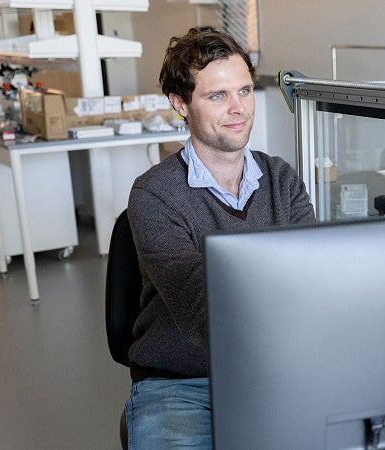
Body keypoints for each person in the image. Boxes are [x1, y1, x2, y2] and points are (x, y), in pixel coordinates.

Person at [125, 27, 315, 447]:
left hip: (277, 369)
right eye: (218, 96)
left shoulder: (281, 179)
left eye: (245, 91)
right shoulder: (155, 194)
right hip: (182, 383)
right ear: (180, 104)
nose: (239, 109)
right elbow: (205, 313)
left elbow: (314, 278)